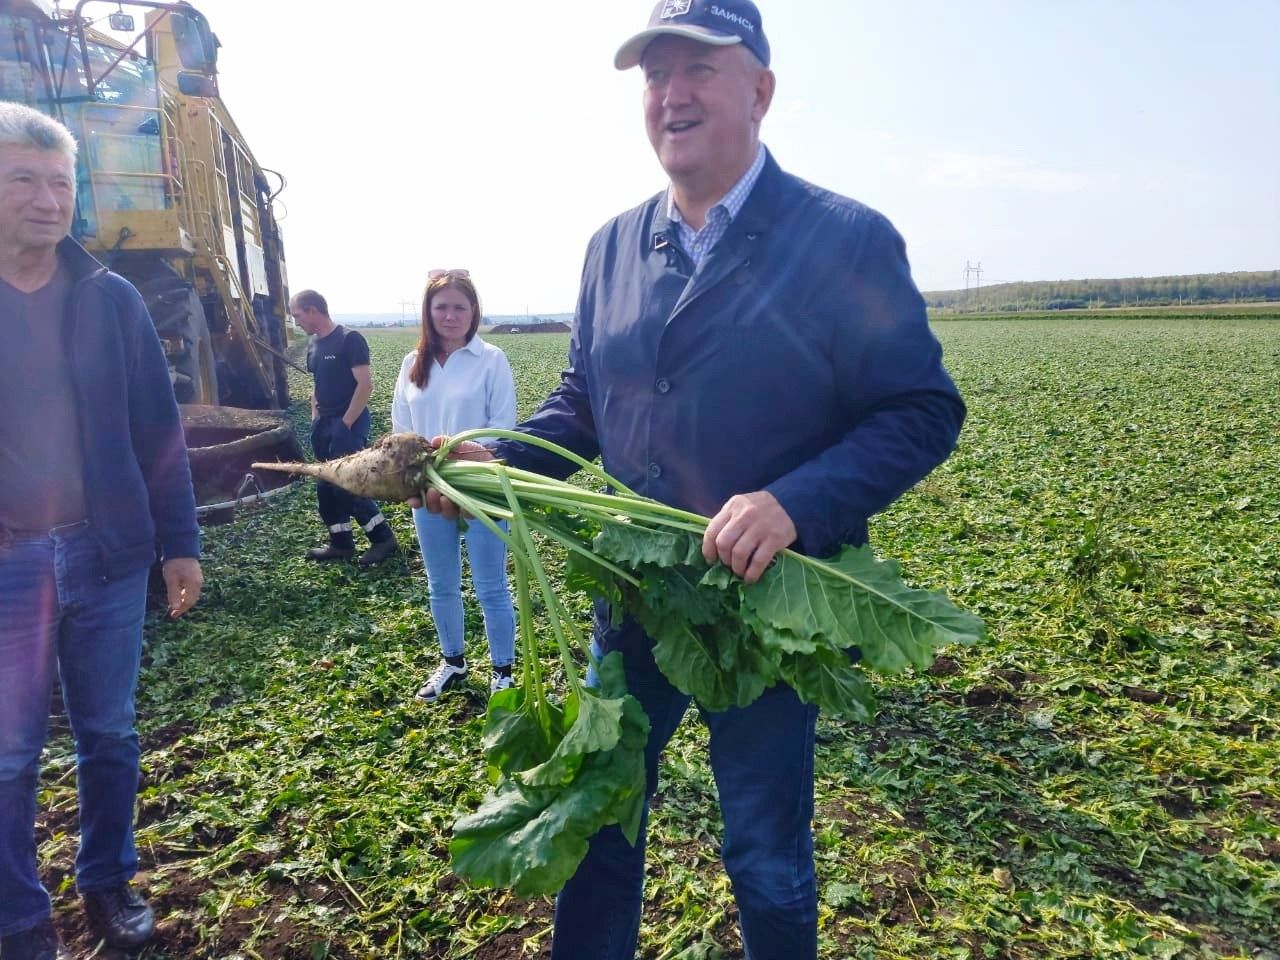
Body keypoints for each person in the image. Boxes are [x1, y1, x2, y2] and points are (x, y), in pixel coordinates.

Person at [426, 2, 968, 957]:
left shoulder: (843, 239)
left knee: (763, 849)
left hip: (765, 607)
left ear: (760, 90)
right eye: (654, 74)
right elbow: (585, 402)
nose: (672, 94)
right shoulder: (610, 248)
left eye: (700, 70)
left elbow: (921, 410)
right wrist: (500, 455)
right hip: (634, 596)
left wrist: (795, 503)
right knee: (597, 824)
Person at [0, 102, 204, 960]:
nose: (47, 200)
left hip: (107, 550)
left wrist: (180, 541)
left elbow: (159, 426)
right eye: (23, 180)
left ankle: (106, 882)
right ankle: (18, 917)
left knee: (109, 733)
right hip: (9, 562)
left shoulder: (111, 298)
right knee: (8, 755)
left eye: (60, 184)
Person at [391, 270, 518, 701]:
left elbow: (504, 427)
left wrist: (470, 456)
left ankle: (503, 670)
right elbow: (401, 428)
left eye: (459, 307)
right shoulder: (413, 364)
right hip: (428, 490)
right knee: (440, 582)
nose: (450, 315)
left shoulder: (491, 359)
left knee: (491, 584)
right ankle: (453, 662)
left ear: (473, 312)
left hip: (480, 487)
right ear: (428, 312)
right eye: (441, 306)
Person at [290, 290, 398, 567]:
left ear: (313, 310)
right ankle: (341, 543)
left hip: (349, 422)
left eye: (298, 315)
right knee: (326, 485)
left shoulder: (350, 340)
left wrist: (346, 422)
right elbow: (318, 384)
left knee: (347, 484)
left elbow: (365, 385)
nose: (296, 322)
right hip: (324, 422)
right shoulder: (314, 345)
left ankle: (383, 538)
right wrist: (316, 416)